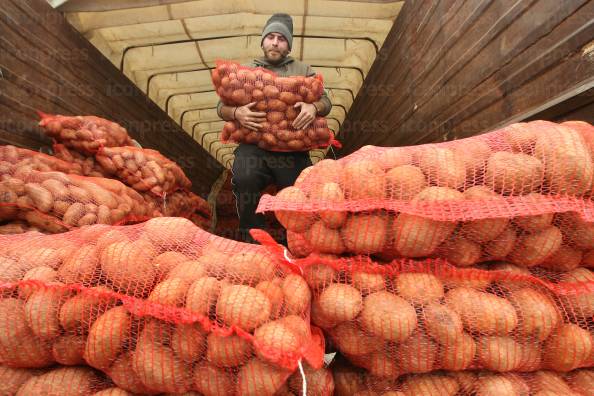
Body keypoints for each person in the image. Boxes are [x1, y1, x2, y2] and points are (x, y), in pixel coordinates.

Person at [217, 13, 332, 243]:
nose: (275, 42)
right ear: (263, 41)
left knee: (299, 190)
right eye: (271, 36)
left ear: (288, 45)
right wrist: (237, 113)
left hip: (292, 149)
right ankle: (253, 237)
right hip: (253, 147)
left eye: (281, 38)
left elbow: (327, 102)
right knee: (244, 178)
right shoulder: (246, 71)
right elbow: (221, 107)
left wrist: (313, 106)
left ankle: (294, 242)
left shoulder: (303, 70)